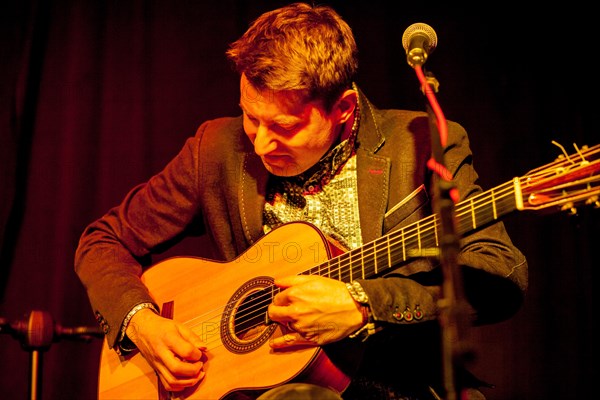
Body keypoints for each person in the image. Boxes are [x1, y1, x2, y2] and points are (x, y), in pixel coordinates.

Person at [75, 3, 528, 399]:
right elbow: (102, 240)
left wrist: (363, 304)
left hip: (397, 386)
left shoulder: (419, 145)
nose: (261, 143)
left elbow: (499, 270)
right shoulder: (216, 148)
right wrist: (141, 323)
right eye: (252, 118)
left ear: (343, 109)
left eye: (285, 127)